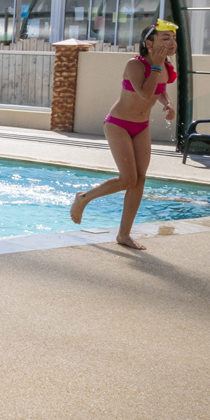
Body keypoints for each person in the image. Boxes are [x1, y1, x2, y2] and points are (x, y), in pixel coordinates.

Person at [70, 20, 178, 250]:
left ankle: (124, 235)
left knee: (140, 179)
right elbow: (145, 92)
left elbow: (159, 90)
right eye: (165, 38)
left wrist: (168, 103)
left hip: (141, 127)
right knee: (128, 178)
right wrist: (157, 65)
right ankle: (83, 198)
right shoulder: (135, 65)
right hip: (118, 124)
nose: (172, 43)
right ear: (149, 43)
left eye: (173, 38)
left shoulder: (165, 68)